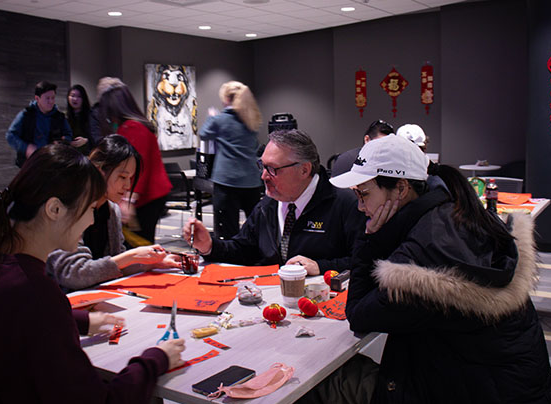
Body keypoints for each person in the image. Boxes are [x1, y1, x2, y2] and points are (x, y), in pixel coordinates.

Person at [0, 143, 185, 404]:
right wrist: (156, 359)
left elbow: (8, 324)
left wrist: (81, 320)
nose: (92, 220)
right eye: (90, 208)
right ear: (55, 209)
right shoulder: (34, 291)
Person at [328, 134, 551, 404]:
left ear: (401, 188)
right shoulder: (457, 212)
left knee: (326, 390)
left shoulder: (420, 263)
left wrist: (369, 243)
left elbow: (358, 314)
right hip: (519, 395)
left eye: (364, 194)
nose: (359, 207)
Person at [183, 129, 365, 275]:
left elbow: (364, 261)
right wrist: (209, 246)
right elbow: (244, 249)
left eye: (272, 169)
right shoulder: (269, 204)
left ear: (304, 170)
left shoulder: (345, 204)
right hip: (272, 302)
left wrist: (321, 266)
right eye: (262, 166)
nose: (263, 176)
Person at [47, 135, 180, 291]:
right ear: (99, 169)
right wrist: (131, 257)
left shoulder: (111, 210)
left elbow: (113, 266)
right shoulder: (70, 206)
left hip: (95, 297)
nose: (128, 185)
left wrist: (150, 263)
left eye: (130, 178)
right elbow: (73, 274)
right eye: (122, 177)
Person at [99, 81, 171, 243]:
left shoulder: (133, 128)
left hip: (147, 198)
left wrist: (128, 200)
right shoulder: (133, 126)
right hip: (149, 196)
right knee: (139, 242)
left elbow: (139, 168)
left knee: (139, 243)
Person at [199, 81, 263, 239]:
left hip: (227, 181)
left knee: (227, 229)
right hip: (252, 180)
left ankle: (230, 259)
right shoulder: (251, 120)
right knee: (257, 225)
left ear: (226, 99)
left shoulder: (220, 120)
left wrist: (211, 117)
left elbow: (204, 134)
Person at [6, 80, 73, 167]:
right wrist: (26, 148)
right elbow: (10, 136)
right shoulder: (26, 114)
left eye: (53, 98)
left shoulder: (59, 117)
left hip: (52, 161)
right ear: (37, 99)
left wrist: (62, 142)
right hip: (30, 163)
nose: (51, 101)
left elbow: (68, 134)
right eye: (47, 98)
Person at [65, 84, 93, 155]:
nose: (75, 99)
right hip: (69, 155)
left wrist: (86, 140)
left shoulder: (91, 115)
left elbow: (97, 137)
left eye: (79, 96)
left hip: (87, 154)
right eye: (72, 96)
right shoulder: (64, 117)